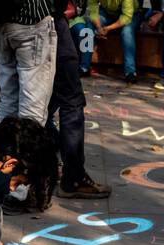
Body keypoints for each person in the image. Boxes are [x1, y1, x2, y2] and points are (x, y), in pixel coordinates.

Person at [50, 2, 113, 198]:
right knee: (71, 100)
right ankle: (73, 176)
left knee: (36, 103)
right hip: (47, 23)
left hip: (12, 27)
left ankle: (40, 167)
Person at [0, 0, 58, 130]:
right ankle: (22, 150)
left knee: (8, 104)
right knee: (32, 114)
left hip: (1, 26)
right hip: (30, 24)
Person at [72, 0, 143, 82]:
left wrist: (108, 28)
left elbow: (126, 17)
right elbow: (93, 11)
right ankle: (84, 67)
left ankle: (130, 72)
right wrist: (99, 27)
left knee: (127, 32)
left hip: (131, 15)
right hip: (107, 13)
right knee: (89, 27)